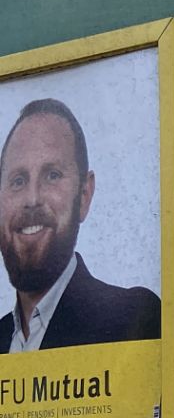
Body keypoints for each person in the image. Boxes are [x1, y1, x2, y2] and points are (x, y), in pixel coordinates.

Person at [0, 97, 160, 351]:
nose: (32, 199)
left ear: (84, 194)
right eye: (18, 180)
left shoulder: (132, 320)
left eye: (52, 175)